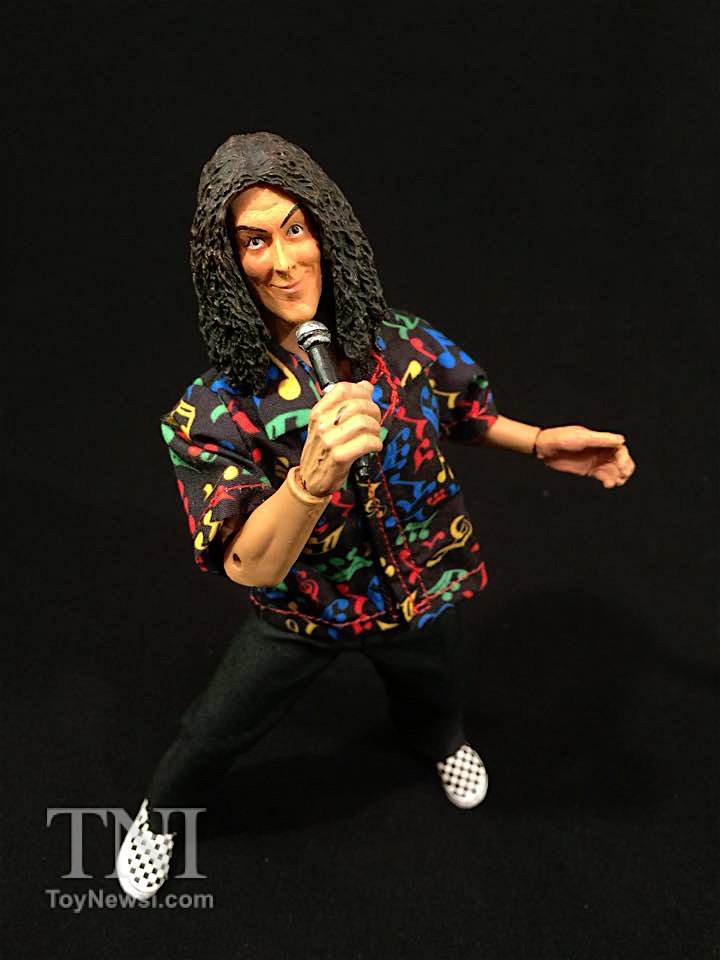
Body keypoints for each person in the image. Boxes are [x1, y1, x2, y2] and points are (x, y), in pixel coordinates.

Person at [116, 132, 635, 900]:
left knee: (439, 687)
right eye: (254, 242)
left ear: (327, 230)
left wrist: (536, 442)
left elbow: (462, 410)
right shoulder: (213, 410)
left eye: (296, 229)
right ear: (227, 264)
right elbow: (248, 563)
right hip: (304, 609)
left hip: (420, 585)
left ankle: (441, 741)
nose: (283, 262)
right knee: (219, 725)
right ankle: (162, 815)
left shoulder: (399, 342)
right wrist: (312, 477)